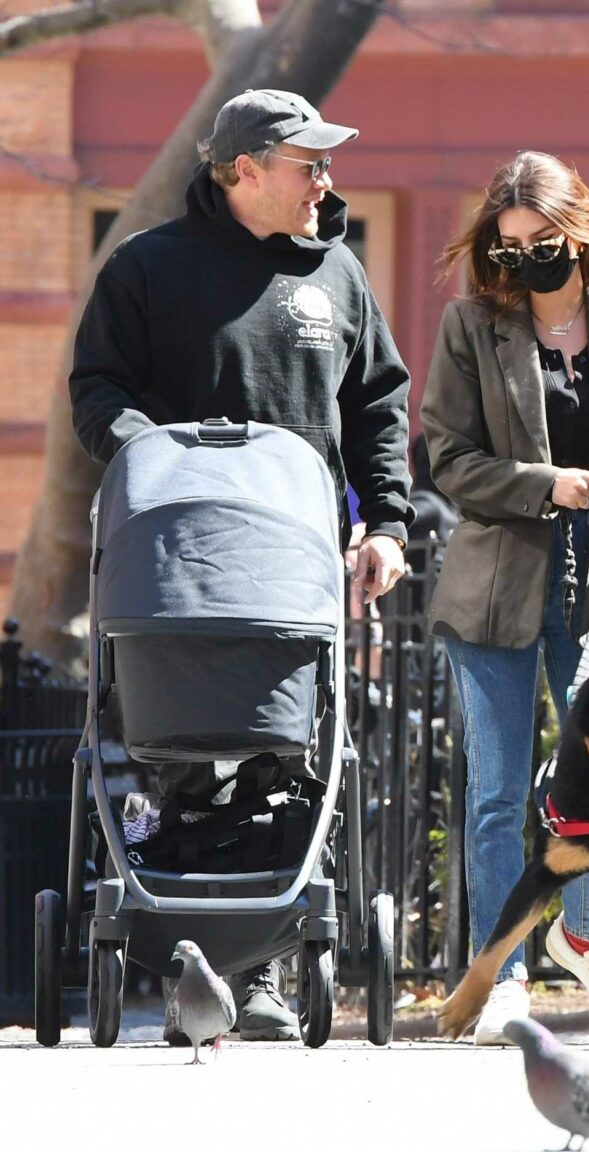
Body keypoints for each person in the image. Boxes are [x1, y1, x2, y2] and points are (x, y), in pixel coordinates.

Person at [69, 88, 414, 1043]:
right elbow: (96, 390)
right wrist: (156, 458)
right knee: (177, 750)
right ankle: (183, 951)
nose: (327, 182)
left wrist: (386, 523)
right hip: (173, 567)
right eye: (310, 164)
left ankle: (259, 971)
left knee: (283, 754)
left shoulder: (337, 273)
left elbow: (379, 408)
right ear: (245, 169)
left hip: (294, 571)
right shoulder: (146, 267)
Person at [420, 150, 589, 1045]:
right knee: (497, 796)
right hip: (493, 594)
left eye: (541, 241)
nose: (524, 257)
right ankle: (504, 976)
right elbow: (448, 459)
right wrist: (543, 484)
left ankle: (585, 936)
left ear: (577, 231)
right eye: (509, 244)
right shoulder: (470, 327)